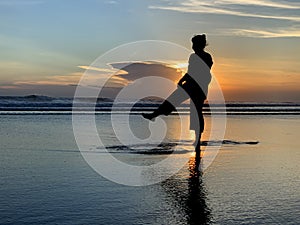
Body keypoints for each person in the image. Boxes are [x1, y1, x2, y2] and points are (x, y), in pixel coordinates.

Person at [142, 34, 213, 153]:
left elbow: (204, 71)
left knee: (196, 112)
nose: (193, 47)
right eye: (193, 44)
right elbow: (190, 71)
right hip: (190, 85)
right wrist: (182, 79)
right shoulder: (193, 56)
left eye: (195, 44)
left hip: (199, 87)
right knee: (172, 99)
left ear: (201, 45)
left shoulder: (207, 57)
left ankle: (198, 139)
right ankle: (154, 115)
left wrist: (187, 79)